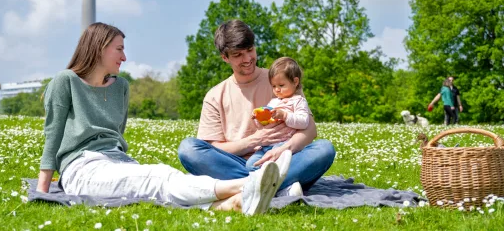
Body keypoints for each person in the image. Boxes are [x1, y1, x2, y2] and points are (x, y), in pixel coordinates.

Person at [36, 22, 292, 215]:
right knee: (156, 178)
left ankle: (230, 204)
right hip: (83, 167)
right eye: (119, 49)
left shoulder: (120, 87)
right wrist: (42, 191)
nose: (124, 57)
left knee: (155, 186)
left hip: (120, 161)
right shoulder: (65, 81)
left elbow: (116, 136)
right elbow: (53, 137)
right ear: (99, 48)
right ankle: (251, 184)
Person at [178, 19, 336, 197]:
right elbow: (214, 149)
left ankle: (248, 187)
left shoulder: (280, 80)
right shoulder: (215, 96)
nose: (247, 59)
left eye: (250, 50)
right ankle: (271, 186)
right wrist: (254, 140)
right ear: (225, 57)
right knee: (188, 149)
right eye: (238, 55)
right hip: (235, 163)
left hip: (281, 158)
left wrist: (284, 149)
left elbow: (310, 130)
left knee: (324, 149)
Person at [246, 57, 311, 177]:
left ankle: (275, 180)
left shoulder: (298, 101)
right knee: (250, 165)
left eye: (281, 85)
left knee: (277, 164)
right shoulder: (273, 102)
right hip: (266, 145)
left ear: (295, 82)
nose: (277, 90)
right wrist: (259, 119)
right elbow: (266, 125)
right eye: (274, 86)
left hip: (283, 144)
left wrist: (285, 115)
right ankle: (266, 181)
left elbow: (303, 122)